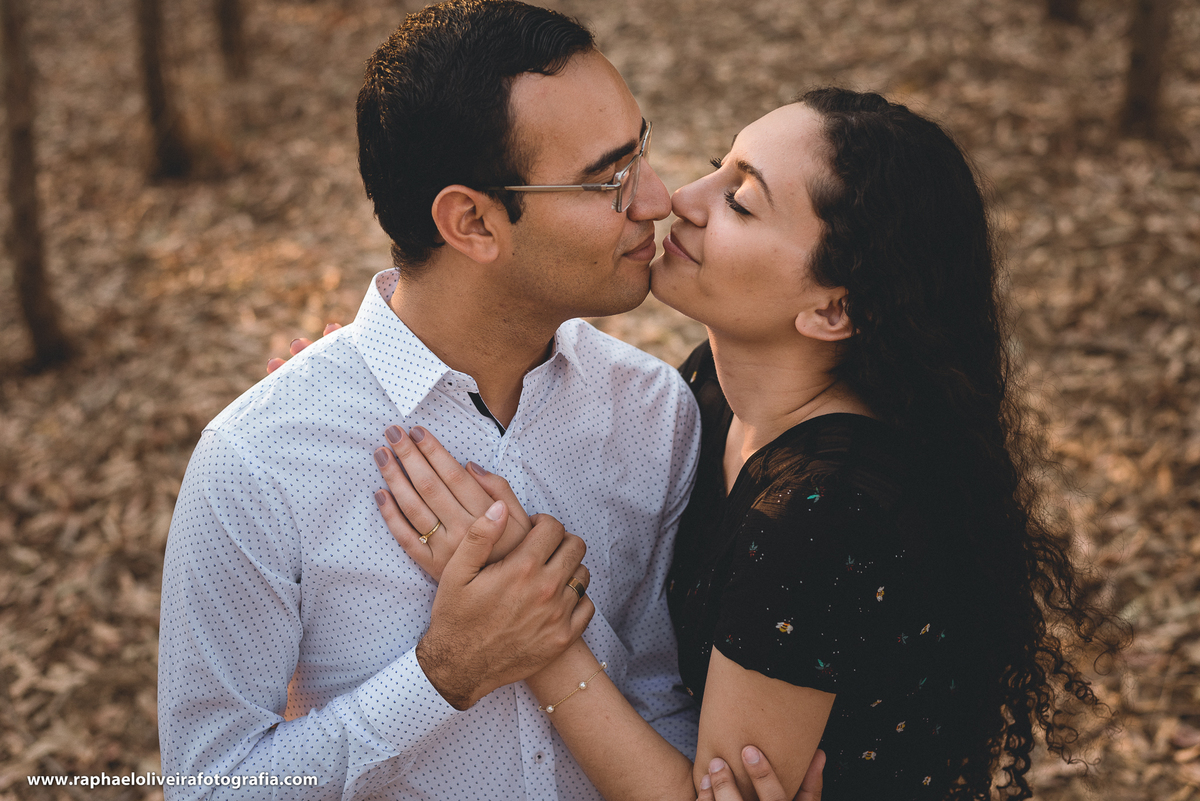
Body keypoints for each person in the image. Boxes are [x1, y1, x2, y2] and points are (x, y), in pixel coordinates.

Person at [368, 88, 1122, 800]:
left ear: (832, 308)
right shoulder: (721, 394)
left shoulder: (824, 511)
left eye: (739, 201)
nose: (676, 201)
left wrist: (535, 638)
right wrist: (394, 362)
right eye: (714, 170)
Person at [158, 2, 817, 798]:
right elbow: (209, 786)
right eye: (607, 179)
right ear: (471, 221)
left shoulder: (654, 411)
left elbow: (655, 693)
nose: (656, 199)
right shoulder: (261, 464)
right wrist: (442, 673)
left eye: (638, 151)